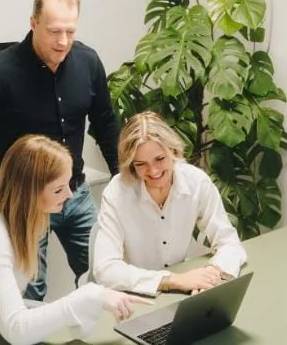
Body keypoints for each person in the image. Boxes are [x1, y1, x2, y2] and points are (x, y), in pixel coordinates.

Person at [0, 0, 120, 301]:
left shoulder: (87, 62)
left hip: (75, 194)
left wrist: (122, 179)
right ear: (33, 22)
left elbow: (105, 123)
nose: (63, 42)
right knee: (29, 293)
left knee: (104, 275)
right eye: (54, 31)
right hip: (24, 204)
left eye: (70, 32)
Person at [0, 135, 150, 344]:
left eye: (68, 184)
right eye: (58, 189)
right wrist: (87, 297)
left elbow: (13, 313)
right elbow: (16, 328)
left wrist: (83, 307)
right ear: (29, 192)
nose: (69, 195)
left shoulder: (23, 221)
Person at [91, 111, 246, 296]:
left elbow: (229, 243)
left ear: (172, 150)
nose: (153, 171)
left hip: (178, 295)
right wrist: (173, 280)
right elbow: (105, 269)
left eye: (160, 159)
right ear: (131, 164)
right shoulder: (117, 193)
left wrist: (213, 272)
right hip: (134, 296)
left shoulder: (196, 182)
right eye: (141, 164)